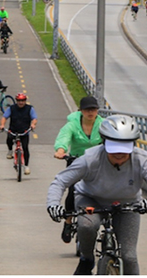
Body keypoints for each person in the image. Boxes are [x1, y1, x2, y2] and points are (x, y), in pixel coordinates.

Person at [46, 115, 147, 275]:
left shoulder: (142, 160)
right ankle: (86, 259)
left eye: (125, 149)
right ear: (104, 142)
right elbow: (60, 181)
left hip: (128, 204)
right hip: (91, 199)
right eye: (114, 148)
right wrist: (53, 205)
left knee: (129, 257)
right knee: (87, 225)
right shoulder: (90, 158)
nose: (119, 154)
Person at [53, 96, 104, 243]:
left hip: (97, 163)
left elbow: (112, 137)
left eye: (93, 109)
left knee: (104, 190)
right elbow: (64, 138)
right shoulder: (72, 124)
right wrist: (61, 150)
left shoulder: (103, 124)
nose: (90, 112)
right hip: (76, 161)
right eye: (87, 109)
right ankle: (68, 222)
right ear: (81, 110)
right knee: (72, 191)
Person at [0, 93, 38, 175]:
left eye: (23, 100)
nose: (21, 102)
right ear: (16, 101)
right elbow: (4, 117)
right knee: (9, 140)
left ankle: (26, 166)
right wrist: (2, 125)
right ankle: (10, 151)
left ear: (25, 101)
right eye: (19, 101)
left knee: (25, 148)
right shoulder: (12, 108)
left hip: (24, 131)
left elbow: (34, 118)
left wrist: (33, 124)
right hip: (13, 130)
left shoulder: (30, 108)